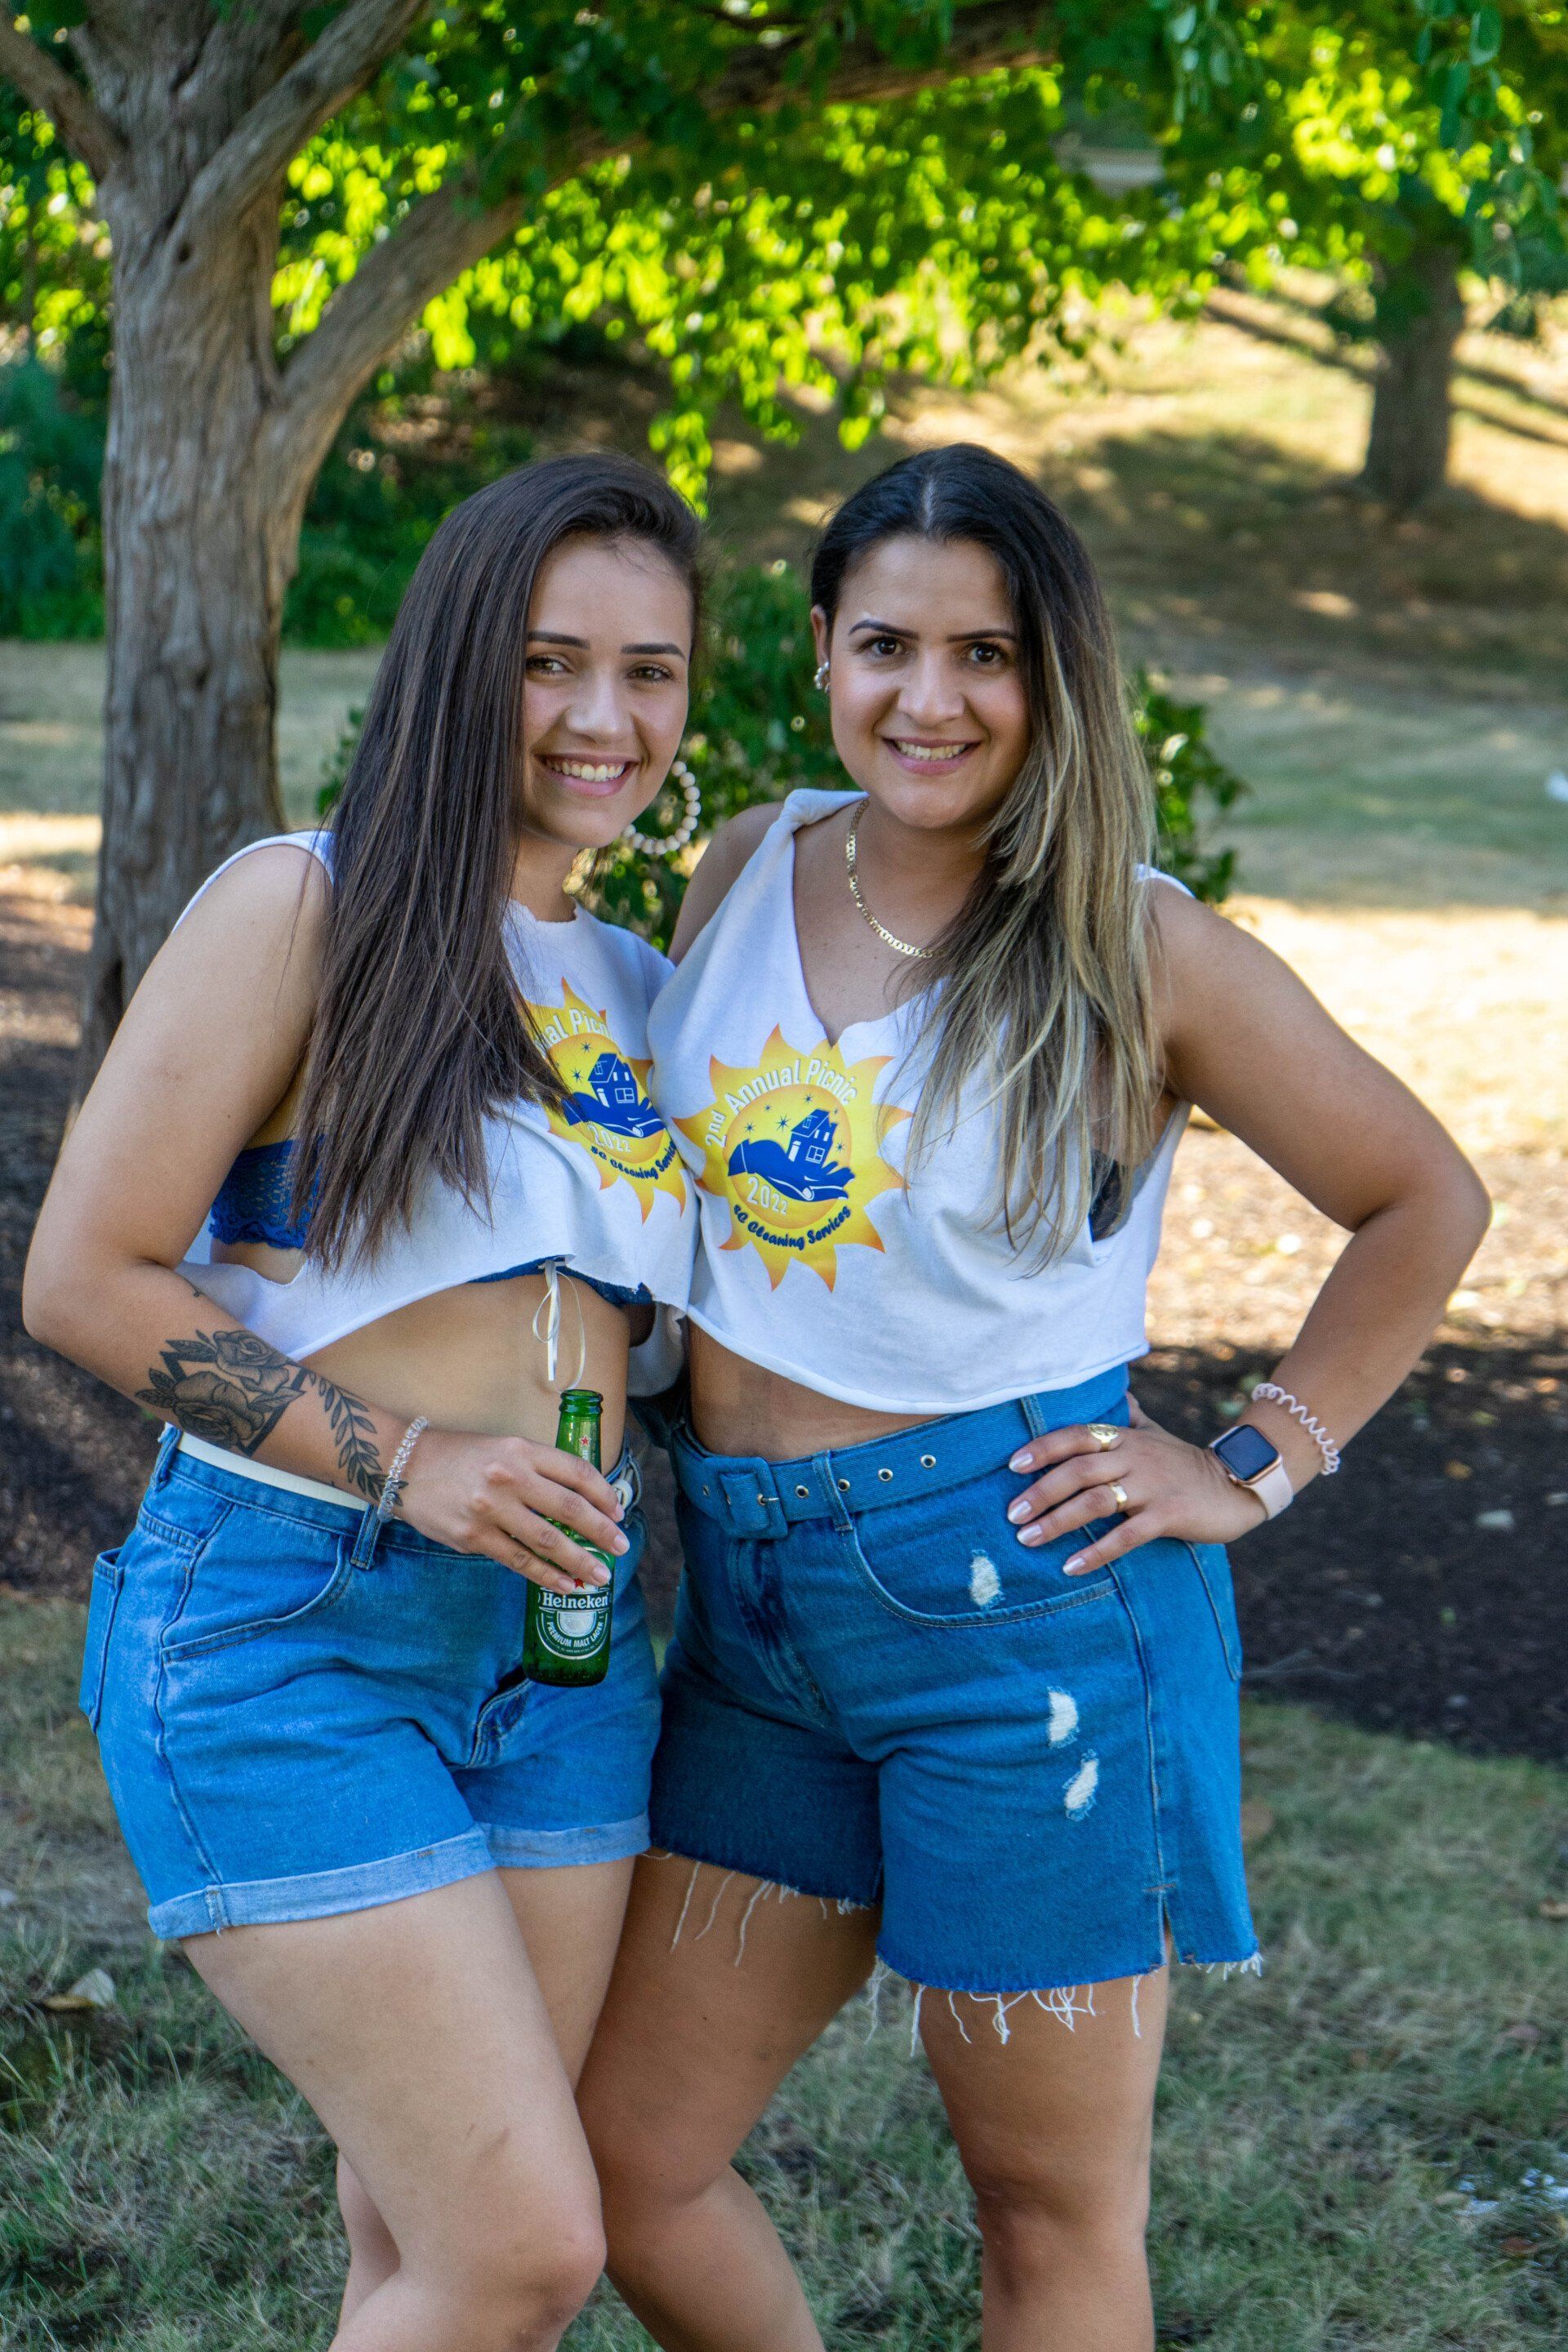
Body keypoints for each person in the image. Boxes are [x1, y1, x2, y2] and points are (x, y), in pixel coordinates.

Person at [574, 442, 1490, 2352]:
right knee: (619, 2162)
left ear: (1053, 675)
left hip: (1024, 1621)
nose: (933, 698)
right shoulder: (747, 862)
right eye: (888, 644)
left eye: (985, 655)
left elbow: (1424, 1198)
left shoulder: (1134, 944)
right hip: (742, 1610)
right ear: (821, 650)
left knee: (1046, 2217)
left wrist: (1253, 1459)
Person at [23, 454, 702, 2352]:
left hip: (568, 1649)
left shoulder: (646, 988)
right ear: (456, 661)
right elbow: (84, 1277)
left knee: (423, 2241)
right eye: (550, 660)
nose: (599, 718)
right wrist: (407, 1465)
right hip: (291, 1624)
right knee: (521, 2251)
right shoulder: (303, 906)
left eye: (649, 673)